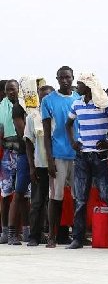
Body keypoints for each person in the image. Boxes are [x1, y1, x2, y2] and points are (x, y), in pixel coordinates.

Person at [64, 73, 108, 249]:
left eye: (80, 84)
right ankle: (77, 238)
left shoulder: (104, 103)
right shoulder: (77, 103)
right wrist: (73, 142)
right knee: (80, 198)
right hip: (82, 156)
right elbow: (68, 124)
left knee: (106, 196)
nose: (77, 86)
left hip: (101, 156)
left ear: (88, 86)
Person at [41, 66, 80, 248]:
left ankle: (77, 235)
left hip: (78, 155)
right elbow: (47, 133)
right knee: (56, 197)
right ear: (57, 79)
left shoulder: (79, 99)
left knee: (77, 197)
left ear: (73, 78)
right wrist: (49, 159)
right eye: (61, 78)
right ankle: (52, 236)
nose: (65, 81)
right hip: (58, 154)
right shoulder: (48, 101)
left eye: (68, 77)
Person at [25, 84, 53, 246]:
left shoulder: (58, 114)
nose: (44, 100)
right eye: (42, 97)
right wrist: (31, 166)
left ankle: (60, 234)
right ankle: (34, 236)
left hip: (58, 163)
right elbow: (29, 143)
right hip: (40, 164)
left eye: (48, 97)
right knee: (37, 201)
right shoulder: (32, 117)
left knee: (56, 200)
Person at [1, 80, 27, 245]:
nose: (11, 92)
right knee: (5, 194)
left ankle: (26, 231)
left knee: (24, 194)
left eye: (14, 89)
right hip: (6, 154)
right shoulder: (1, 107)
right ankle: (5, 232)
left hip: (24, 153)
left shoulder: (25, 105)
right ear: (5, 91)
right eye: (8, 90)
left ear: (19, 90)